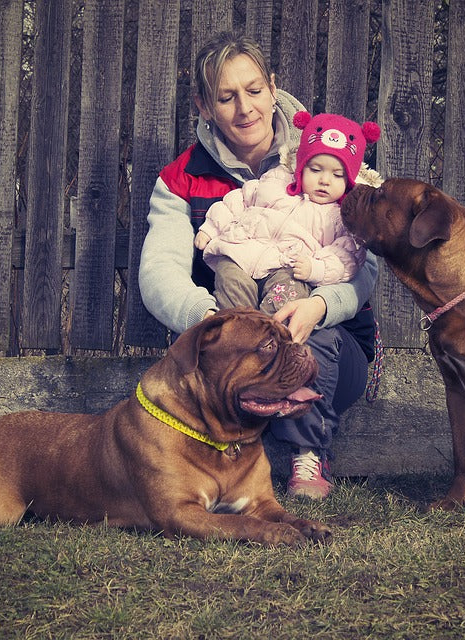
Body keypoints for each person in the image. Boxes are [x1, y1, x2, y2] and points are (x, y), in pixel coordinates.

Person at [139, 31, 380, 500]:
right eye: (226, 98)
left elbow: (361, 264)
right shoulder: (180, 180)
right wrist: (212, 324)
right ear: (204, 106)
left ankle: (304, 458)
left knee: (314, 336)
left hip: (329, 341)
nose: (244, 109)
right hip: (237, 352)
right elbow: (158, 273)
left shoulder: (329, 157)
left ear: (273, 88)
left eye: (253, 91)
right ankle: (227, 460)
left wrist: (320, 306)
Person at [194, 110, 380, 315]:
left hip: (289, 269)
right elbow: (238, 200)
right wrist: (211, 228)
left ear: (349, 180)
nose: (324, 180)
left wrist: (315, 269)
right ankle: (238, 327)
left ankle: (270, 334)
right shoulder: (276, 181)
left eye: (337, 175)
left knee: (289, 298)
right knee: (230, 278)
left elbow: (347, 257)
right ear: (300, 166)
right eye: (315, 170)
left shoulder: (341, 218)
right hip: (243, 253)